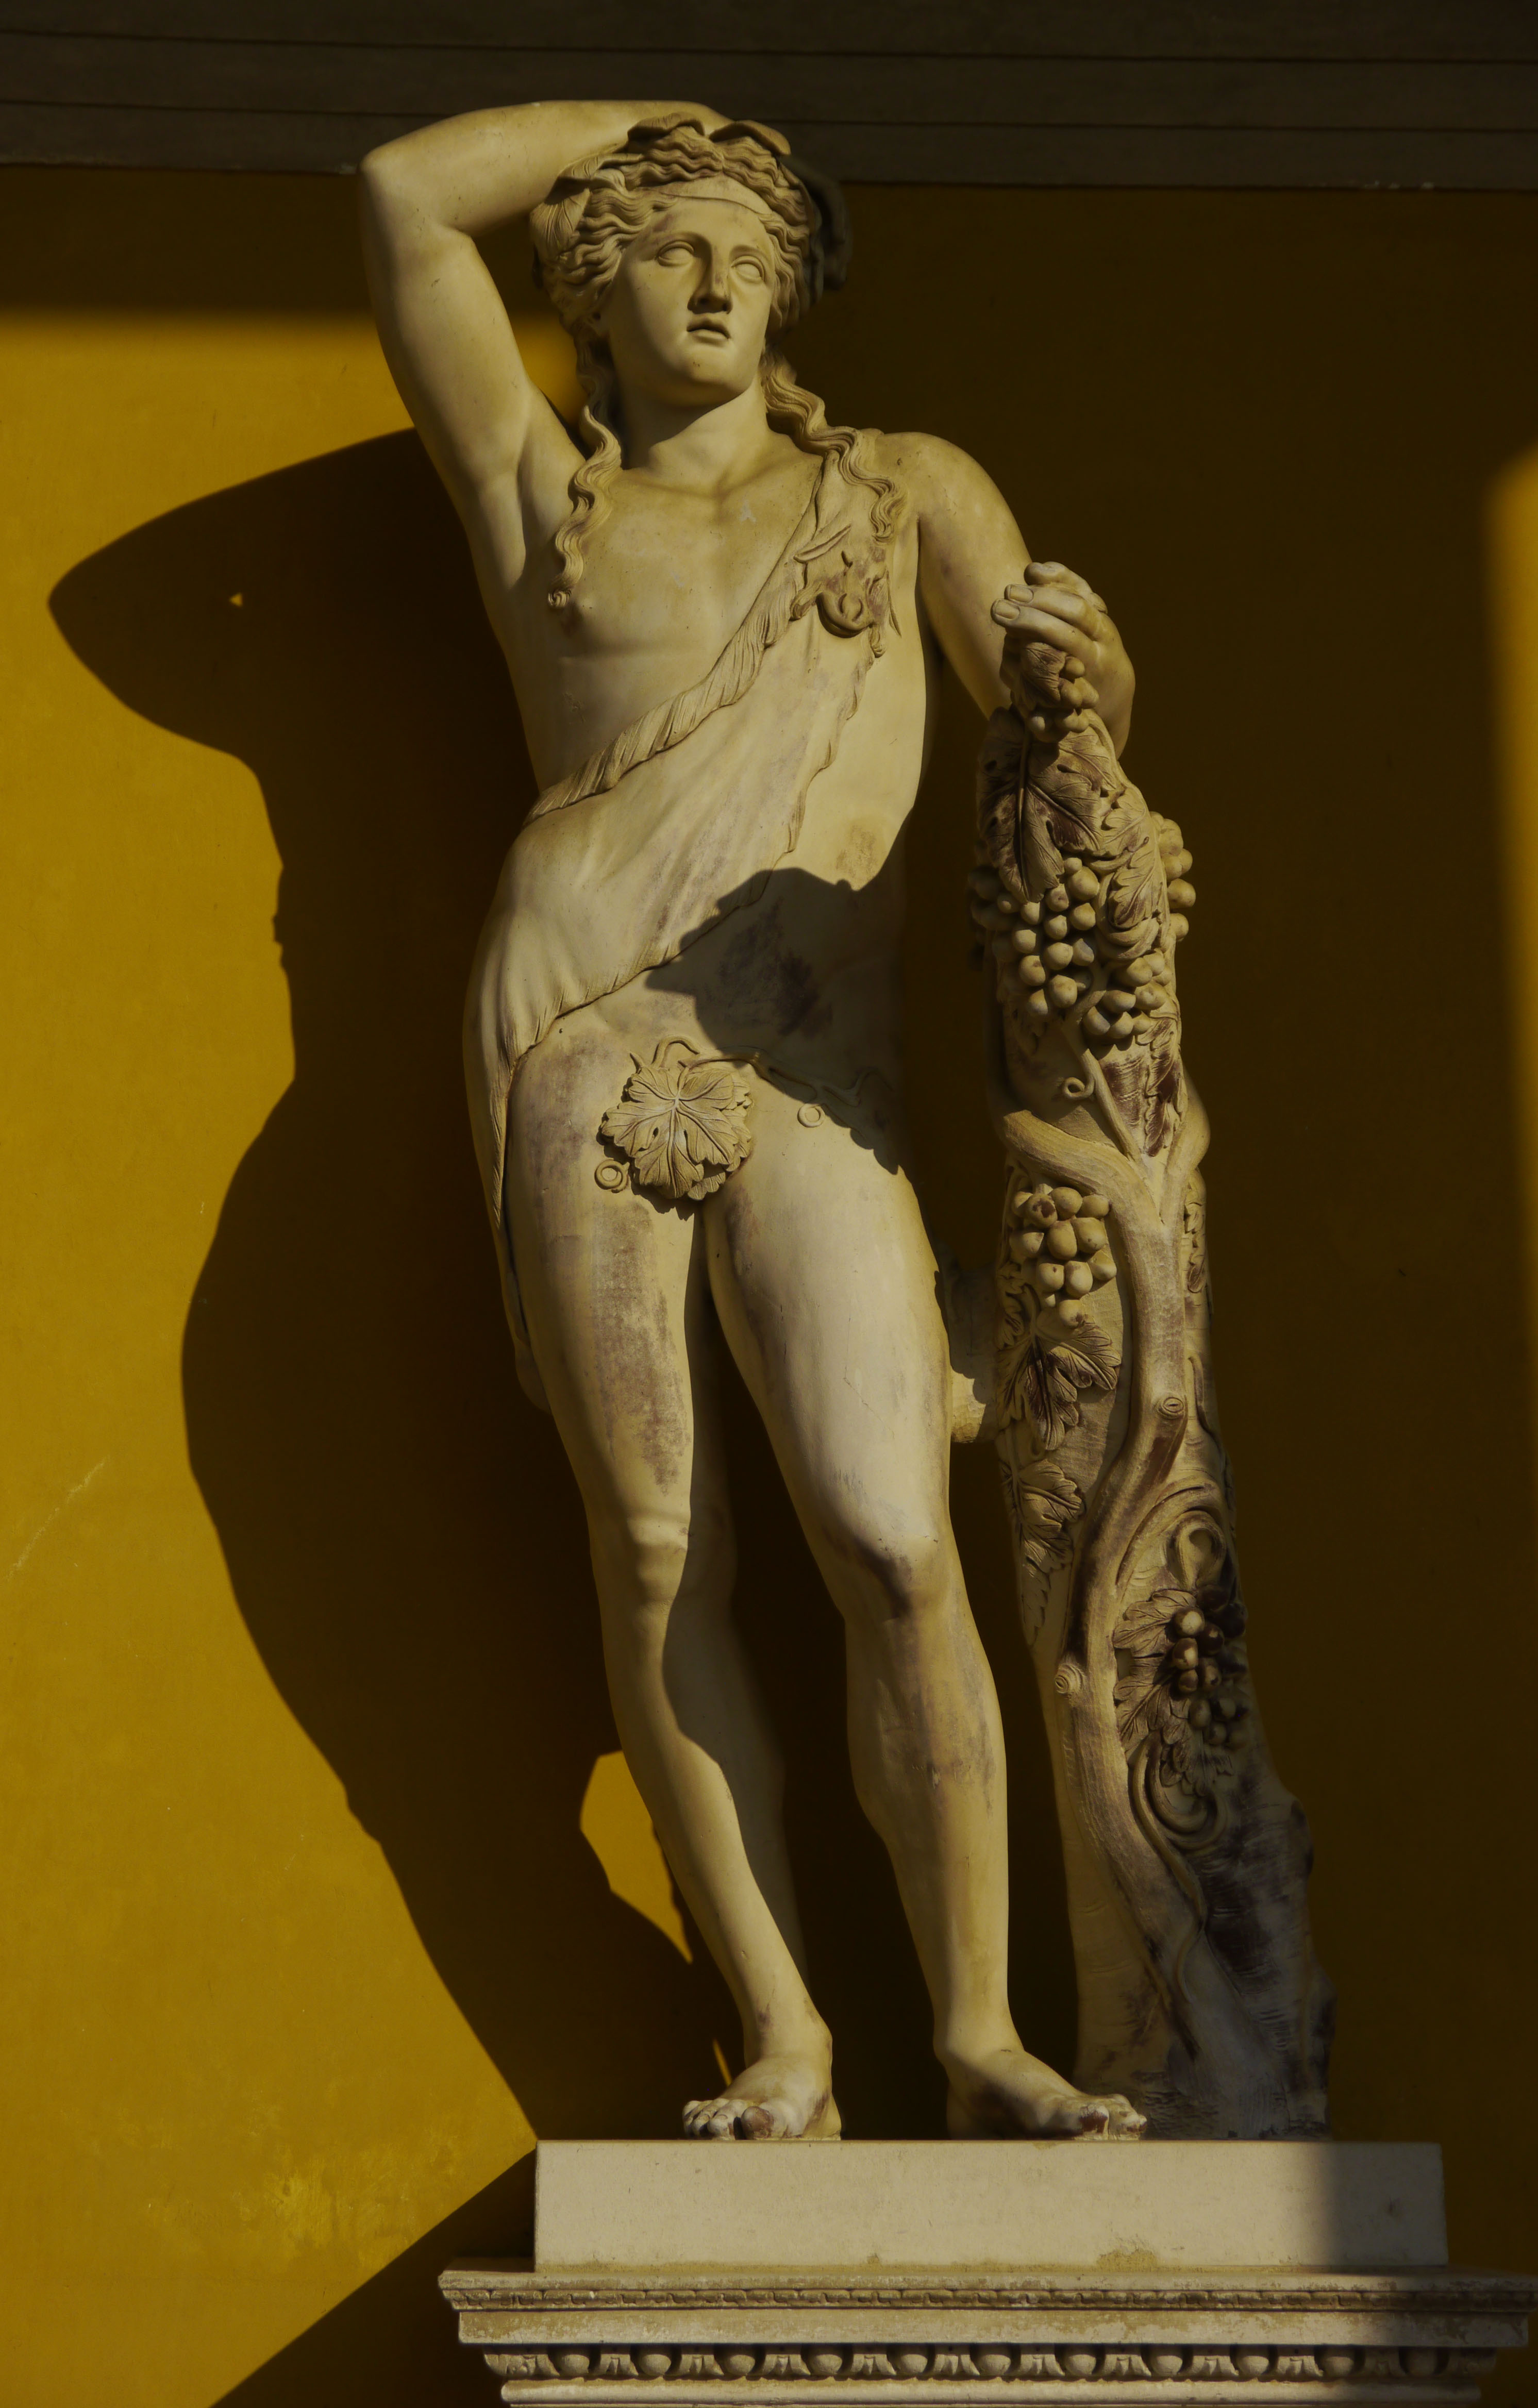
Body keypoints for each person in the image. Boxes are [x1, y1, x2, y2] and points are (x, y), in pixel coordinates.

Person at [360, 100, 1143, 2141]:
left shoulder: (901, 491)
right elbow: (403, 193)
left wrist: (1089, 673)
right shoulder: (540, 499)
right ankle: (784, 2036)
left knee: (889, 1536)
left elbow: (1063, 747)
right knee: (654, 1552)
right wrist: (682, 128)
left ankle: (976, 2033)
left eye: (758, 252)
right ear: (591, 274)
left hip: (816, 1079)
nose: (721, 282)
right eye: (675, 245)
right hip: (583, 1056)